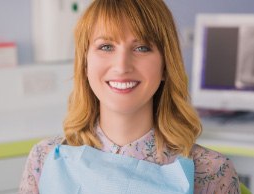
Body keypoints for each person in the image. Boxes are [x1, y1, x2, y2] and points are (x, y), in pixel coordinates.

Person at [19, 0, 240, 193]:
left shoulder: (210, 172)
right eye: (106, 46)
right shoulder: (44, 158)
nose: (122, 66)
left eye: (142, 48)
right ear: (85, 64)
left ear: (165, 66)